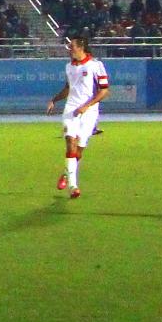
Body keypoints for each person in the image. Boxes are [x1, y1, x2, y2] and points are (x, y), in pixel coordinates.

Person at [46, 34, 109, 199]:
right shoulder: (69, 66)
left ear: (81, 47)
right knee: (70, 142)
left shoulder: (96, 65)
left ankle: (66, 173)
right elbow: (68, 88)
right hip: (71, 109)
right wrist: (54, 100)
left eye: (72, 46)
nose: (69, 49)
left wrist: (86, 106)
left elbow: (104, 91)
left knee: (78, 150)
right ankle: (73, 186)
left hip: (89, 111)